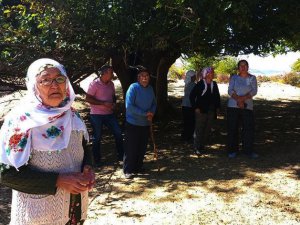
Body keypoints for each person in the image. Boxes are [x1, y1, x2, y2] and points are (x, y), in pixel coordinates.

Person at [0, 58, 95, 225]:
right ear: (33, 86)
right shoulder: (20, 122)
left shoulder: (73, 115)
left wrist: (88, 167)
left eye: (60, 79)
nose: (54, 85)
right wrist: (58, 181)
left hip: (73, 210)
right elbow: (5, 173)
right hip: (38, 216)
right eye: (45, 80)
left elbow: (85, 147)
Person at [85, 65, 124, 166]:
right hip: (96, 115)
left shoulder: (111, 84)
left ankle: (122, 157)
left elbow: (113, 96)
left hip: (109, 114)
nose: (113, 74)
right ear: (105, 73)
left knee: (118, 133)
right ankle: (97, 160)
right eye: (111, 73)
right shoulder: (94, 84)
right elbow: (88, 98)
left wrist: (114, 103)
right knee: (97, 137)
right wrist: (103, 103)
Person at [123, 67, 156, 179]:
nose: (145, 78)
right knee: (131, 147)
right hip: (133, 123)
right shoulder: (133, 88)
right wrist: (144, 113)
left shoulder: (150, 89)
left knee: (142, 147)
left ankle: (138, 167)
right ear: (138, 78)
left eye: (146, 76)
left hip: (145, 123)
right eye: (142, 76)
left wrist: (151, 112)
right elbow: (129, 107)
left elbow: (154, 103)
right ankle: (128, 170)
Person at [227, 59, 258, 158]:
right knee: (233, 128)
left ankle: (248, 151)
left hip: (247, 106)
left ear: (248, 67)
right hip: (233, 106)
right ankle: (232, 151)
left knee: (248, 129)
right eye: (241, 65)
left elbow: (254, 91)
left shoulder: (252, 78)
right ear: (238, 68)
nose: (243, 67)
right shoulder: (234, 78)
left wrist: (242, 99)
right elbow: (230, 90)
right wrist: (238, 99)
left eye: (245, 65)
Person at [189, 67, 221, 154]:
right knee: (199, 128)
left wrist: (217, 108)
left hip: (211, 110)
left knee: (207, 129)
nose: (212, 74)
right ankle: (196, 147)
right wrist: (195, 107)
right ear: (205, 74)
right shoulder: (200, 84)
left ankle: (201, 145)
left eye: (213, 73)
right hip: (201, 111)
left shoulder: (214, 84)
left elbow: (217, 97)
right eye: (210, 73)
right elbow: (192, 96)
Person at [181, 70, 196, 143]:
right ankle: (187, 138)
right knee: (190, 122)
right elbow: (192, 97)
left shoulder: (187, 84)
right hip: (189, 106)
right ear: (192, 77)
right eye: (194, 76)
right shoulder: (192, 85)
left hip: (185, 105)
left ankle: (185, 137)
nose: (195, 77)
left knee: (186, 122)